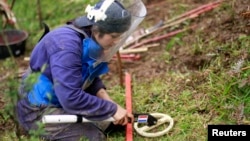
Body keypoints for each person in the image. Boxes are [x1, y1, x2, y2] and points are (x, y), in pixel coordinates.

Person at [16, 0, 146, 140]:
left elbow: (86, 74)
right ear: (97, 30)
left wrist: (107, 100)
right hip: (37, 107)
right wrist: (112, 109)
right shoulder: (66, 46)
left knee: (112, 123)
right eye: (114, 37)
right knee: (94, 137)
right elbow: (70, 98)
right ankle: (30, 125)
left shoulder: (89, 38)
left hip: (62, 96)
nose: (116, 42)